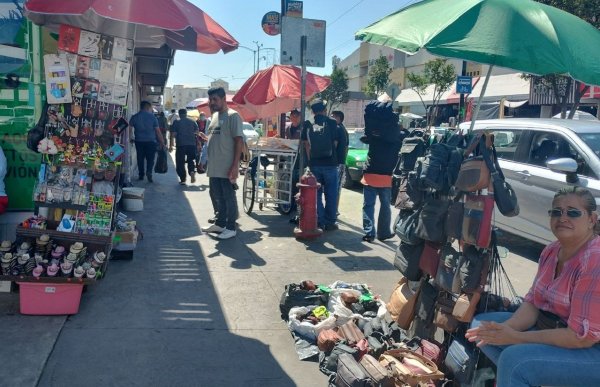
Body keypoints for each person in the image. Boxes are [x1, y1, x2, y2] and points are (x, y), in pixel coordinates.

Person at [466, 187, 600, 387]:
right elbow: (533, 303)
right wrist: (505, 330)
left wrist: (517, 337)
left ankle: (522, 375)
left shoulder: (594, 260)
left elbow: (581, 338)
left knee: (514, 361)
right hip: (554, 328)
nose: (562, 217)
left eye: (573, 212)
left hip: (590, 349)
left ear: (592, 219)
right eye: (556, 212)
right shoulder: (552, 250)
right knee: (481, 329)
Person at [201, 87, 243, 240]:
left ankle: (231, 227)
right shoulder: (214, 117)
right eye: (210, 100)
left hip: (227, 166)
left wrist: (235, 166)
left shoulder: (233, 116)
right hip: (214, 166)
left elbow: (239, 141)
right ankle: (220, 224)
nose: (212, 103)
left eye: (215, 100)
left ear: (224, 99)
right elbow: (217, 138)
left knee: (228, 197)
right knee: (217, 196)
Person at [301, 99, 345, 231]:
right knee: (331, 193)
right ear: (324, 110)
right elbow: (337, 143)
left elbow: (306, 145)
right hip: (331, 164)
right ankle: (330, 222)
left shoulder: (308, 124)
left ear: (313, 111)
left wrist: (311, 161)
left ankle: (320, 220)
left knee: (317, 193)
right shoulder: (332, 123)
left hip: (315, 164)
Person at [360, 125, 402, 243]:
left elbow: (363, 138)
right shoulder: (395, 141)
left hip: (370, 175)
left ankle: (369, 233)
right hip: (385, 177)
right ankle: (383, 233)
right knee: (385, 206)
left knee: (368, 205)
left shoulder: (374, 138)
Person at [129, 101, 164, 183]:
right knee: (150, 159)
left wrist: (130, 138)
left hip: (139, 141)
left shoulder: (135, 117)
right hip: (151, 142)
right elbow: (158, 131)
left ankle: (141, 175)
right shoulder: (152, 117)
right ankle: (149, 172)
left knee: (140, 158)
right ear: (148, 107)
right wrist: (162, 142)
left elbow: (129, 129)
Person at [171, 109, 199, 185]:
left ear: (179, 114)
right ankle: (192, 171)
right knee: (191, 160)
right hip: (192, 144)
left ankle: (183, 179)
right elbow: (197, 132)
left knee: (180, 162)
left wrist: (171, 145)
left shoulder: (176, 122)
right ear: (186, 114)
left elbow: (173, 134)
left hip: (181, 144)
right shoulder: (192, 121)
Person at [331, 110, 349, 214]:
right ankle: (335, 209)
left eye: (333, 117)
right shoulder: (343, 129)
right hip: (341, 161)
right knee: (337, 188)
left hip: (337, 162)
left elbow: (335, 145)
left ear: (339, 118)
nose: (331, 118)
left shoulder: (338, 129)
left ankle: (334, 209)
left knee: (335, 187)